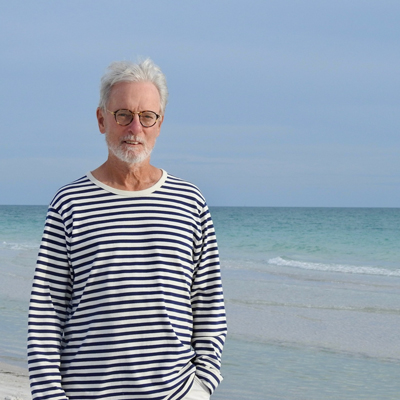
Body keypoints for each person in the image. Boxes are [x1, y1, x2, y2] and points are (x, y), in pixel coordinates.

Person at [28, 58, 227, 400]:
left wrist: (202, 386)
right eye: (123, 115)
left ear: (160, 123)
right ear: (102, 119)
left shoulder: (190, 201)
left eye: (146, 116)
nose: (135, 128)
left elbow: (208, 303)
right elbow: (46, 313)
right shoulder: (69, 203)